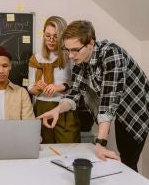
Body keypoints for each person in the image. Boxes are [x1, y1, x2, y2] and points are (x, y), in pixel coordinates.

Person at [38, 20, 149, 172]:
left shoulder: (111, 54)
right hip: (116, 107)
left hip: (135, 109)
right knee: (119, 159)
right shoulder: (80, 61)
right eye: (67, 50)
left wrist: (101, 143)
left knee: (128, 161)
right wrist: (58, 109)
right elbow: (74, 94)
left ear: (91, 43)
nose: (70, 56)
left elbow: (108, 101)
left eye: (75, 50)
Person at [28, 16, 80, 143]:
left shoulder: (71, 57)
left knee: (67, 149)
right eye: (47, 35)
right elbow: (31, 89)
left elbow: (78, 86)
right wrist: (37, 88)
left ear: (63, 37)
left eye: (56, 36)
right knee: (44, 149)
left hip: (64, 107)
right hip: (41, 106)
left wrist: (60, 86)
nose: (51, 40)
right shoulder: (36, 59)